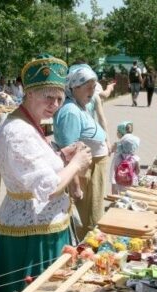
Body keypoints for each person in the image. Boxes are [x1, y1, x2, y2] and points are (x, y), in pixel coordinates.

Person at [0, 55, 92, 292]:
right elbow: (47, 188)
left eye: (58, 98)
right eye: (48, 97)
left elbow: (33, 171)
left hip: (41, 227)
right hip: (31, 235)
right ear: (29, 93)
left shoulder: (29, 123)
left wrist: (61, 155)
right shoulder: (18, 131)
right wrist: (76, 164)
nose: (54, 105)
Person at [54, 63, 110, 240]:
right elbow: (69, 154)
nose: (92, 92)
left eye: (94, 87)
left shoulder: (80, 105)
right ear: (74, 87)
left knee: (93, 215)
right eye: (88, 88)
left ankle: (90, 249)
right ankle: (86, 253)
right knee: (87, 220)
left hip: (92, 169)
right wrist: (76, 187)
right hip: (84, 173)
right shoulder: (70, 111)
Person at [110, 121, 140, 194]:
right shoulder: (135, 158)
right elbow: (138, 171)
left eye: (118, 131)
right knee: (129, 192)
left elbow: (110, 150)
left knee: (114, 184)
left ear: (121, 133)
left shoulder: (118, 147)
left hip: (119, 180)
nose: (117, 133)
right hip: (130, 181)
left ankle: (114, 198)